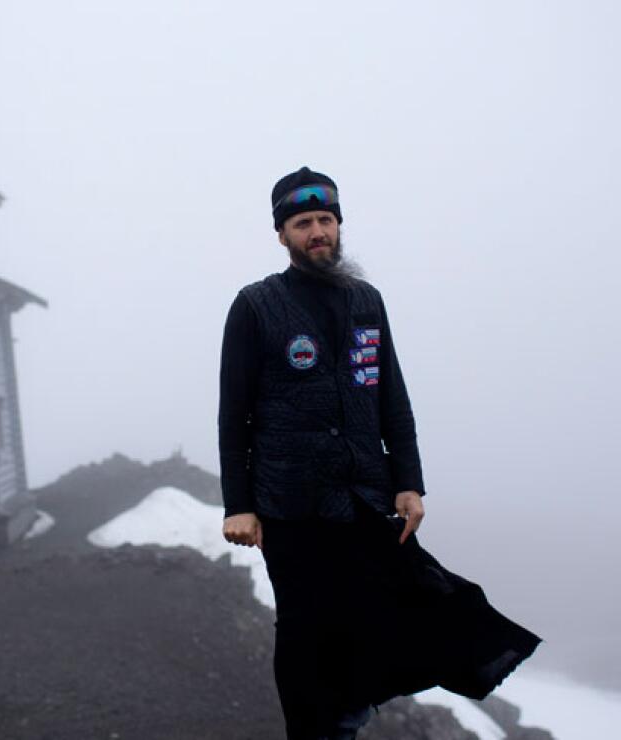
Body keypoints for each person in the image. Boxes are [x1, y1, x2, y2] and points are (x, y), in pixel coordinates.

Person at [219, 166, 541, 739]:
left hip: (365, 497)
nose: (317, 232)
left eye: (325, 220)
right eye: (302, 223)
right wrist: (238, 505)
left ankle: (344, 714)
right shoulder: (255, 306)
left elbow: (392, 395)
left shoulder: (365, 301)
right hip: (290, 505)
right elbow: (233, 412)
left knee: (415, 602)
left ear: (339, 225)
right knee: (305, 632)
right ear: (281, 234)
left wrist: (409, 482)